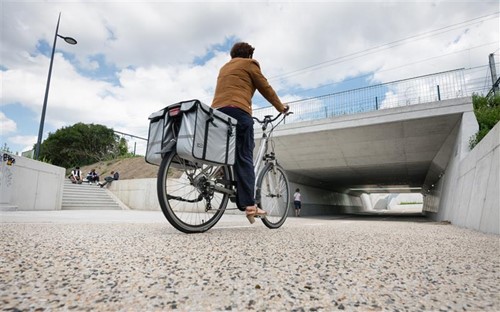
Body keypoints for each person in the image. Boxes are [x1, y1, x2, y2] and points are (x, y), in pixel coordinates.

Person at [211, 42, 289, 224]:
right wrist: (281, 107)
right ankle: (250, 206)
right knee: (245, 155)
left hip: (217, 113)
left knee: (230, 150)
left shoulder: (224, 68)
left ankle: (223, 171)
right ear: (249, 55)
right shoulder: (249, 64)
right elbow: (265, 88)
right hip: (238, 111)